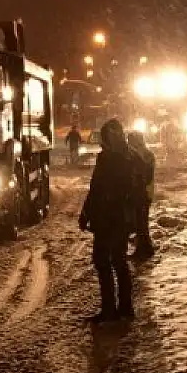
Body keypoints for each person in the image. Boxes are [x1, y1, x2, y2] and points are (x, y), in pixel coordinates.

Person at [79, 118, 135, 322]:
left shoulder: (123, 159)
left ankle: (120, 308)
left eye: (106, 137)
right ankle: (113, 308)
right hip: (105, 219)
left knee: (113, 261)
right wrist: (86, 212)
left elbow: (124, 191)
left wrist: (110, 206)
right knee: (107, 261)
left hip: (114, 219)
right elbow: (95, 189)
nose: (103, 142)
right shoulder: (109, 157)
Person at [127, 130, 156, 260]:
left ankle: (145, 249)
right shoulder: (143, 154)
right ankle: (144, 248)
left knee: (141, 222)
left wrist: (138, 184)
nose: (129, 143)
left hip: (143, 193)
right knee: (140, 222)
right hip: (141, 193)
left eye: (131, 140)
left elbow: (147, 176)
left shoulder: (145, 155)